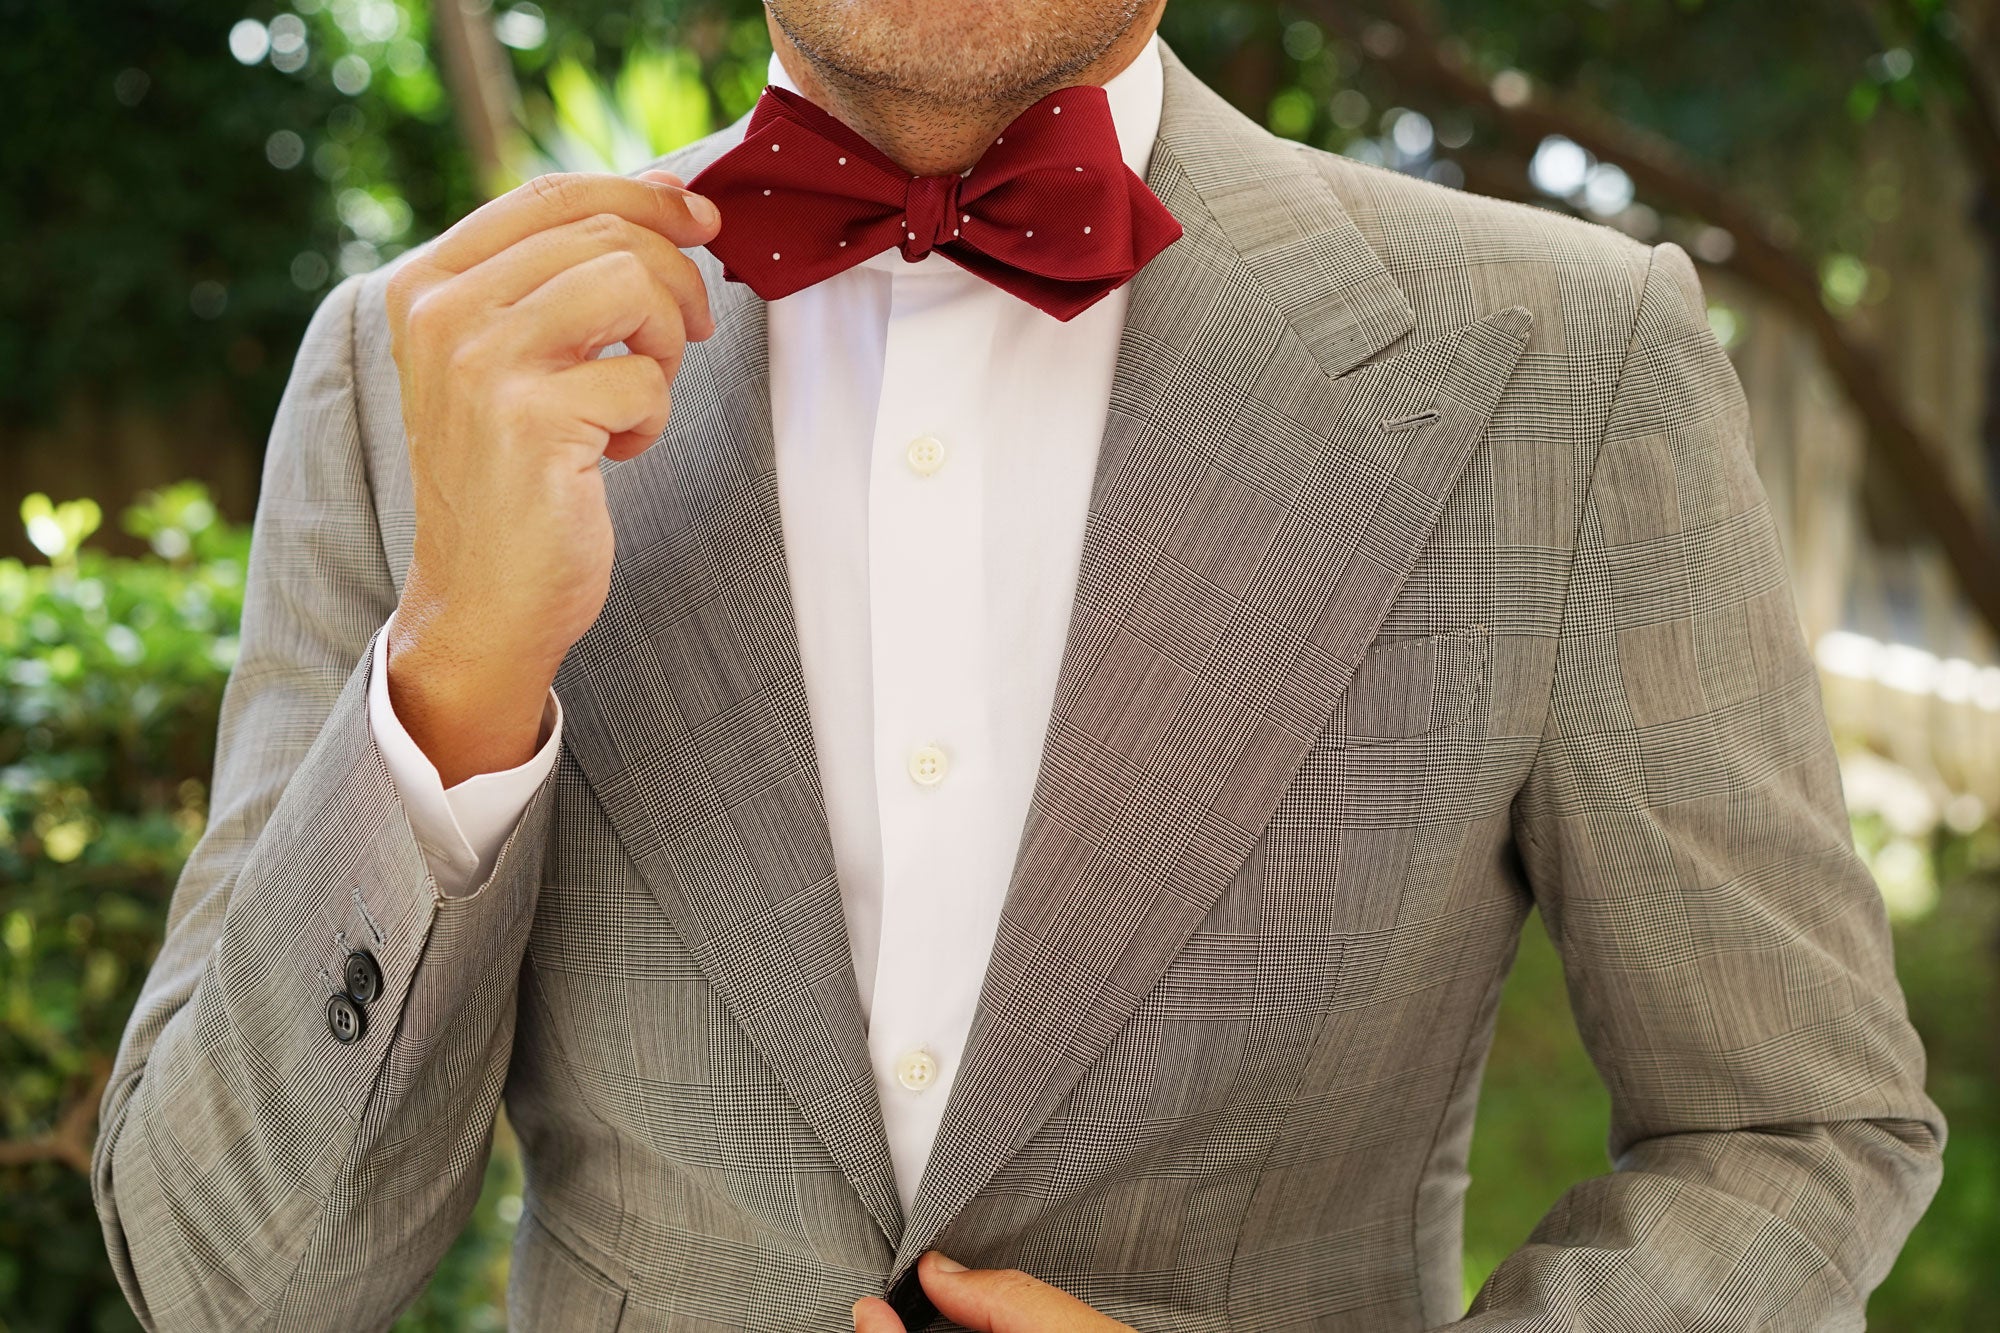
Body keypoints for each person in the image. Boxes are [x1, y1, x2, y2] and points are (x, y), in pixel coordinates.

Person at [92, 0, 1945, 1329]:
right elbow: (233, 1284)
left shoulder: (1568, 356)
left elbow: (1791, 1126)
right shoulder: (403, 374)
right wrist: (455, 678)